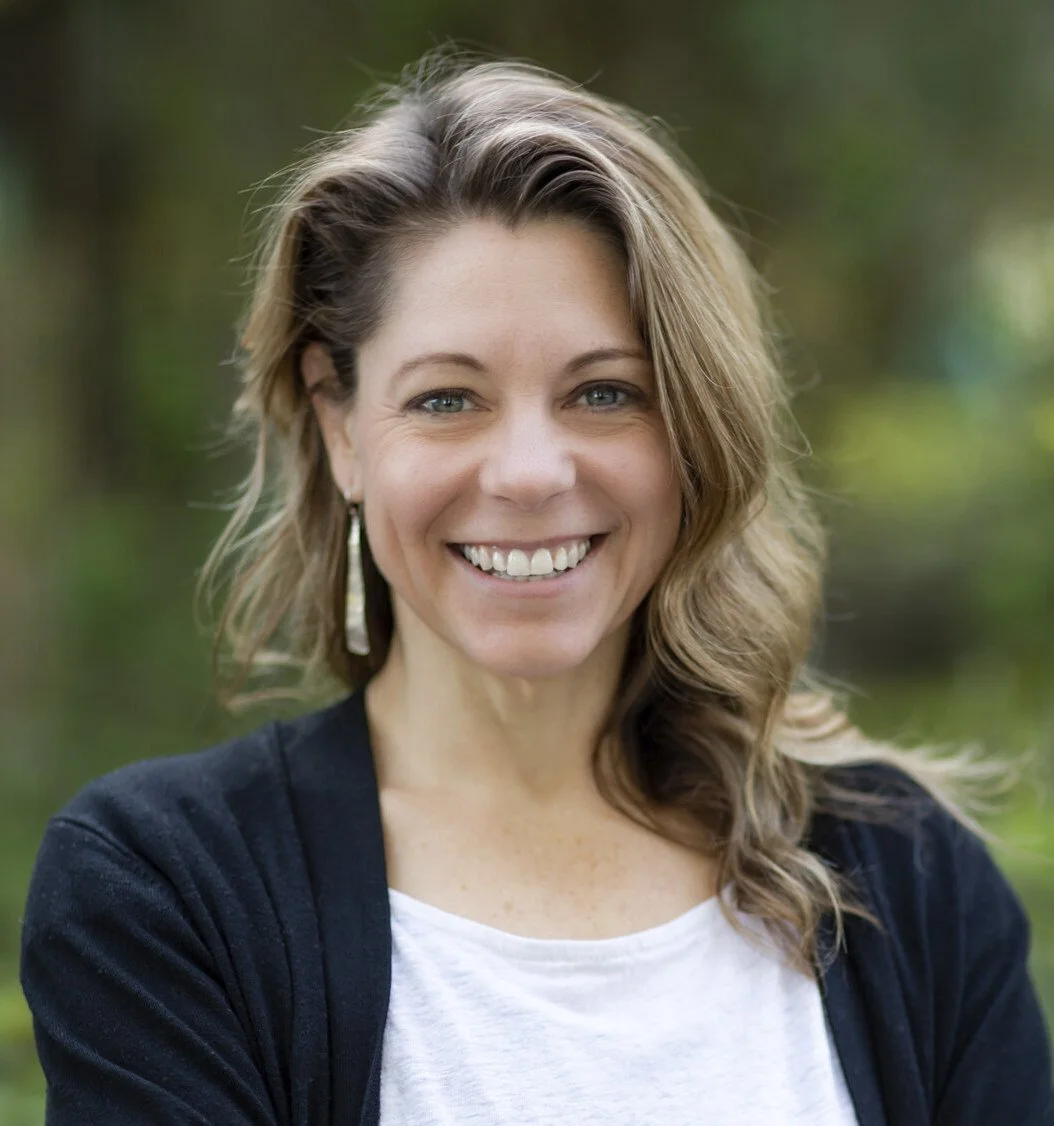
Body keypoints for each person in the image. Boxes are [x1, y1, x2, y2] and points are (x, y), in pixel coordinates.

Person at [20, 54, 1054, 1125]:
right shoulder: (167, 893)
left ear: (694, 430)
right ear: (340, 428)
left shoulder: (905, 878)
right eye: (446, 399)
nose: (528, 473)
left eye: (604, 393)